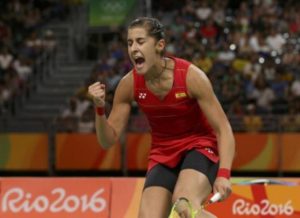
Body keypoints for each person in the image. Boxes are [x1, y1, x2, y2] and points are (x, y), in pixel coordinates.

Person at [88, 17, 235, 218]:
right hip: (163, 153)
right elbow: (107, 140)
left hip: (200, 146)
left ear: (160, 45)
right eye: (130, 43)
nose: (133, 49)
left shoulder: (190, 77)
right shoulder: (128, 84)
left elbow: (223, 129)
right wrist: (99, 109)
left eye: (140, 41)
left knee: (183, 204)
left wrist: (224, 174)